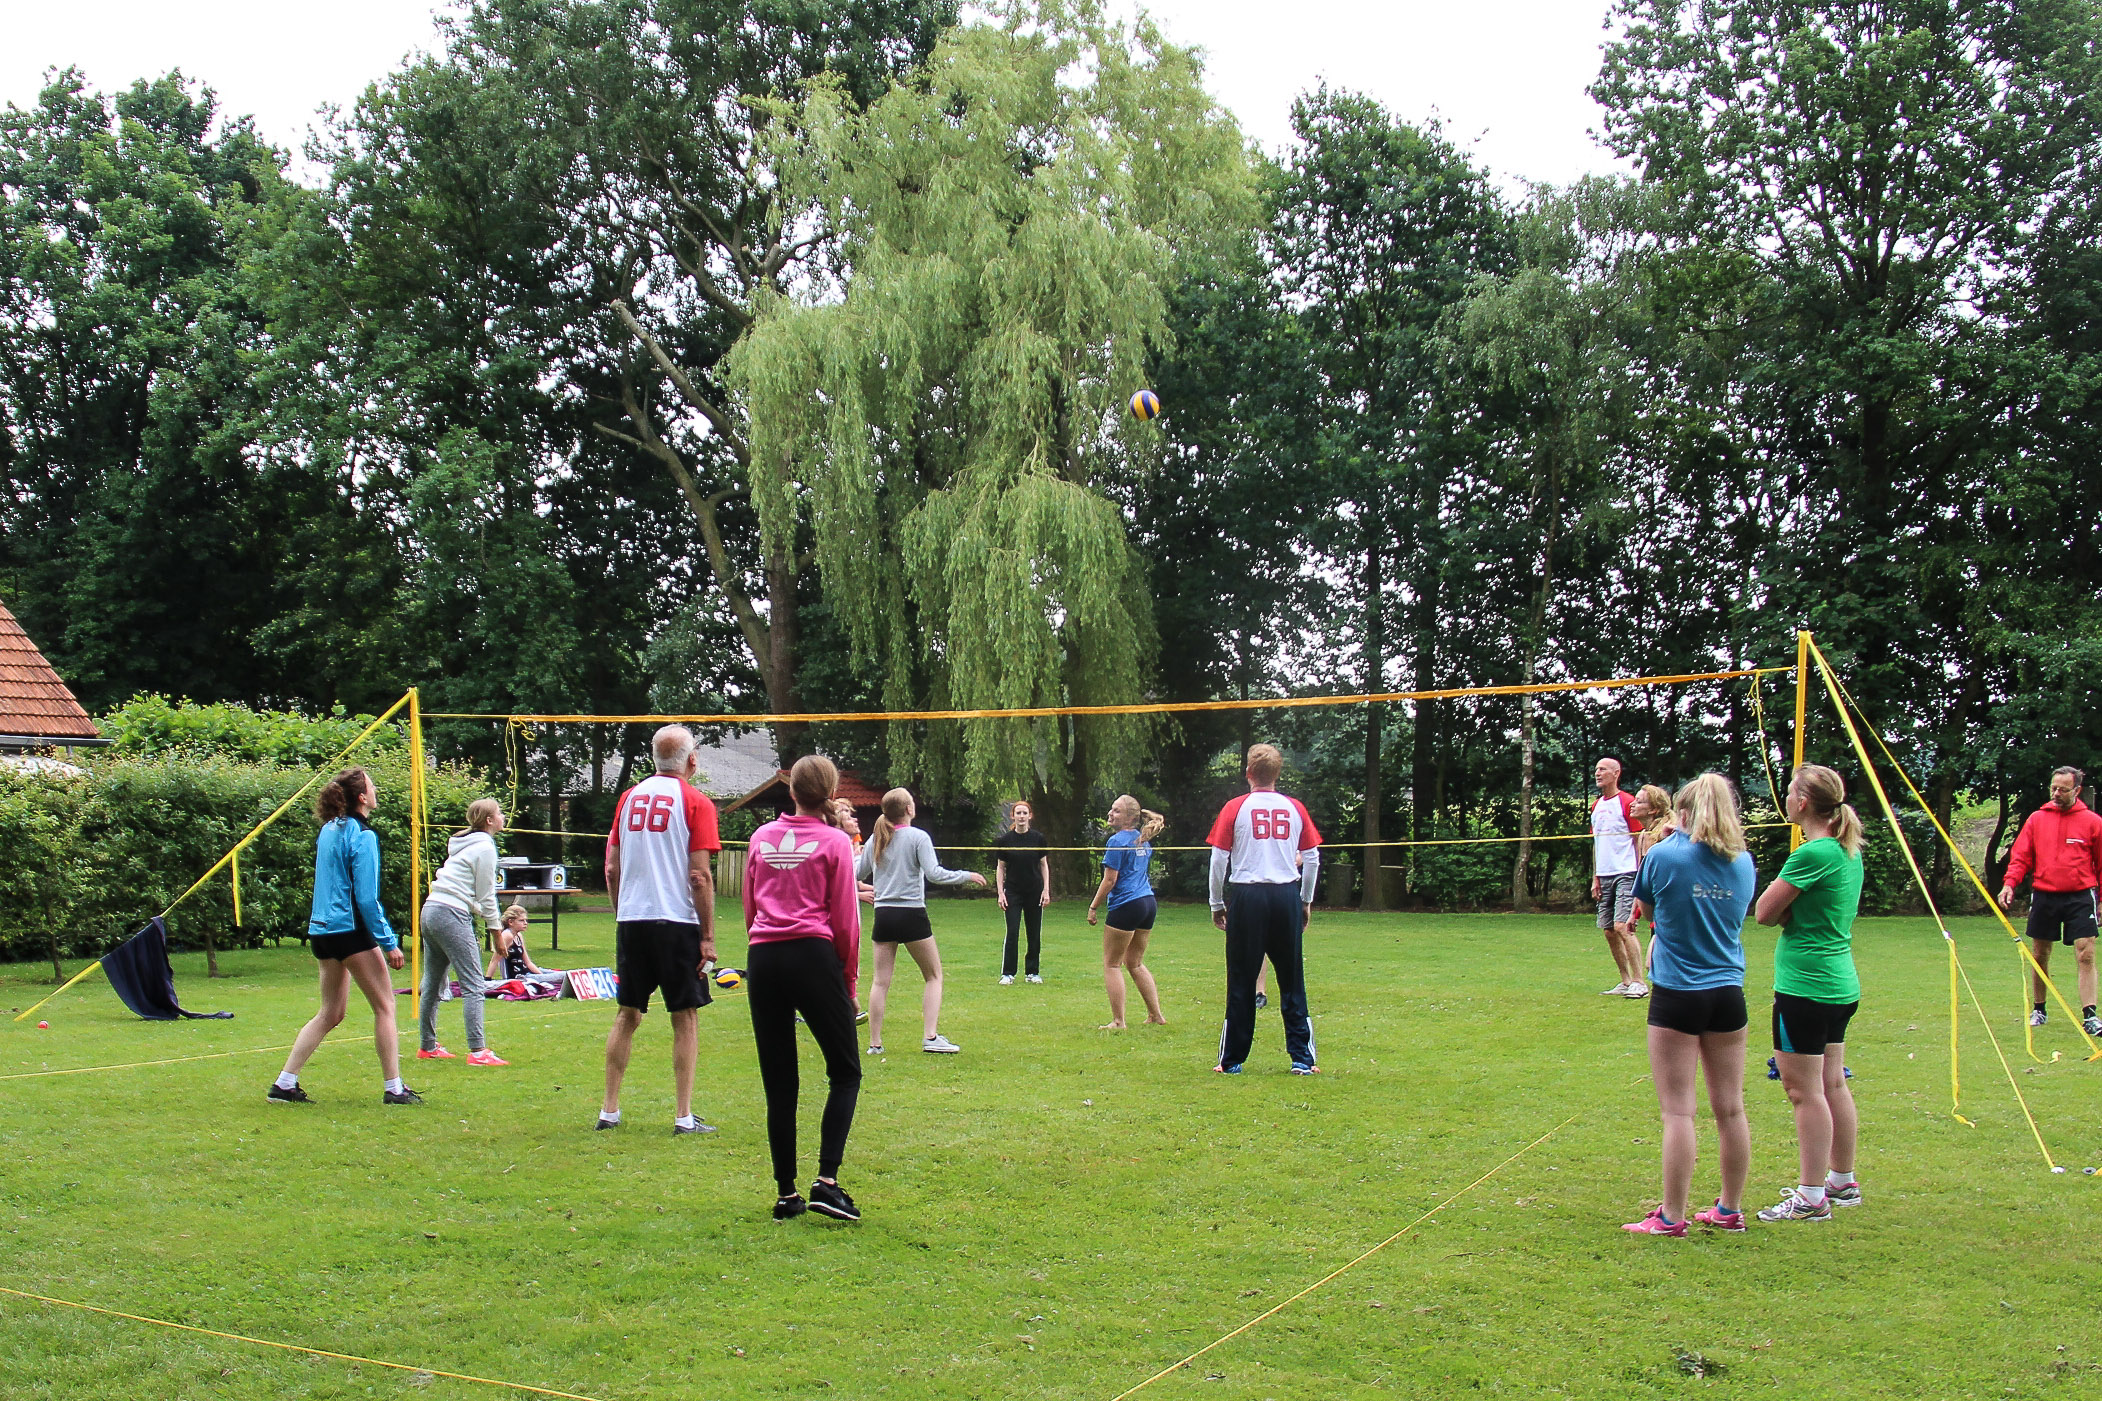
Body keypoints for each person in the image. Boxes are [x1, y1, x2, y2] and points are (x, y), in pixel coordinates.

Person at [1622, 773, 1757, 1236]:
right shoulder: (1743, 861)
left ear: (1682, 810)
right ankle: (1730, 1209)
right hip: (1728, 994)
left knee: (1679, 1111)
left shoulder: (1663, 855)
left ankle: (1671, 1216)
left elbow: (1650, 912)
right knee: (1731, 1108)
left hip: (1678, 993)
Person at [744, 755, 867, 1222]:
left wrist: (761, 945)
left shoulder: (760, 838)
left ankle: (786, 1193)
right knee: (846, 1071)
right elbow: (846, 921)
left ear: (790, 791)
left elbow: (751, 907)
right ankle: (827, 1182)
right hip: (813, 956)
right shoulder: (836, 842)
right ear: (832, 793)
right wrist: (848, 984)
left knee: (780, 1081)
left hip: (764, 957)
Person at [1752, 764, 1866, 1223]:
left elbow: (1763, 913)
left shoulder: (1812, 853)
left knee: (1804, 1091)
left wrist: (1786, 909)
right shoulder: (1846, 850)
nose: (1785, 798)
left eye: (1789, 791)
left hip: (1805, 987)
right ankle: (1842, 1180)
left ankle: (1812, 1195)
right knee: (1832, 1082)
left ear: (1802, 803)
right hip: (1839, 984)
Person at [269, 767, 422, 1107]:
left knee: (331, 1012)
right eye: (372, 785)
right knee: (385, 1006)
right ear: (362, 798)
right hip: (350, 931)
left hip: (322, 932)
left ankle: (284, 1084)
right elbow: (366, 898)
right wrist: (389, 942)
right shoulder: (363, 835)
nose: (376, 789)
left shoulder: (329, 829)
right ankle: (394, 1088)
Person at [598, 725, 721, 1135]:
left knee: (627, 1014)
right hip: (676, 922)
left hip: (633, 920)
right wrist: (707, 936)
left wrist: (622, 913)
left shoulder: (629, 797)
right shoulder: (696, 802)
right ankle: (683, 1116)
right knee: (684, 1018)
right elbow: (699, 876)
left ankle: (609, 1110)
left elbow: (611, 867)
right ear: (691, 760)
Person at [1208, 744, 1322, 1074]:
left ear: (1248, 773)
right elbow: (1312, 858)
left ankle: (1232, 1061)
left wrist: (1217, 903)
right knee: (1292, 978)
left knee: (1241, 980)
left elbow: (1218, 859)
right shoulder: (1294, 807)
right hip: (1285, 895)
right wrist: (1305, 900)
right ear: (1277, 774)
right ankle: (1302, 1059)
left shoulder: (1235, 807)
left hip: (1248, 896)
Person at [857, 788, 987, 1054]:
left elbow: (856, 872)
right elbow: (935, 874)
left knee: (880, 982)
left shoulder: (876, 838)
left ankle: (875, 1044)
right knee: (933, 976)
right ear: (908, 809)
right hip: (911, 914)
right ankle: (930, 1037)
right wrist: (966, 875)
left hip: (884, 915)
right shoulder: (918, 837)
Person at [1997, 766, 2102, 1037]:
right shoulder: (2037, 819)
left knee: (2086, 952)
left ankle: (2090, 1016)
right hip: (2044, 895)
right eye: (2053, 788)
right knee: (2040, 954)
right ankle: (2039, 1009)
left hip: (2080, 895)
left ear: (2077, 790)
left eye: (2063, 790)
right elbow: (2021, 857)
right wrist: (2009, 883)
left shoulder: (2092, 822)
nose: (2056, 793)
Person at [417, 798, 508, 1066]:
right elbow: (486, 895)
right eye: (499, 813)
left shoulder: (464, 844)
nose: (503, 816)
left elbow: (473, 894)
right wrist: (496, 933)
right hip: (450, 913)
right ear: (489, 821)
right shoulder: (485, 847)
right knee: (473, 984)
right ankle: (478, 1051)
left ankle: (428, 1046)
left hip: (431, 909)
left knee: (432, 983)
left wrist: (482, 916)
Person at [1087, 795, 1167, 1030]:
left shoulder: (1116, 841)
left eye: (1117, 811)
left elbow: (1110, 880)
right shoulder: (1142, 840)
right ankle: (1156, 1015)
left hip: (1127, 904)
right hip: (1147, 903)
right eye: (1111, 809)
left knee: (1112, 964)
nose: (1110, 814)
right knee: (1135, 962)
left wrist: (1093, 907)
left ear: (1131, 818)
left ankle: (1118, 1021)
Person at [1591, 758, 1648, 999]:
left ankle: (1639, 982)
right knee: (1608, 930)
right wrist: (1595, 877)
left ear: (1616, 773)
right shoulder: (1596, 806)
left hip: (1626, 872)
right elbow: (1596, 843)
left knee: (1623, 927)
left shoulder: (1627, 802)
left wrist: (1641, 874)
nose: (1598, 773)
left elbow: (1639, 839)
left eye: (1603, 769)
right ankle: (1625, 981)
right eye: (1596, 769)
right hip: (1604, 875)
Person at [994, 800, 1052, 985]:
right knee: (1012, 932)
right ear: (1013, 816)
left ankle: (1032, 972)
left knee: (1034, 933)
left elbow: (1044, 865)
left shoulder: (1038, 839)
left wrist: (1046, 890)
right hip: (1013, 892)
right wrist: (1001, 893)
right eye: (1018, 813)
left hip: (1034, 891)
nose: (1021, 816)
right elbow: (1000, 868)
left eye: (1024, 813)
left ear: (1030, 816)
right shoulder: (1005, 840)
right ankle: (1008, 973)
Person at [487, 904, 566, 995]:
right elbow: (495, 960)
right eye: (521, 920)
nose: (525, 923)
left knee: (565, 973)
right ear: (510, 922)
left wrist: (542, 975)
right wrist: (488, 979)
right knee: (565, 976)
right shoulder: (507, 935)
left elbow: (528, 962)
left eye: (526, 920)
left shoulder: (518, 935)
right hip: (520, 977)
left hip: (527, 972)